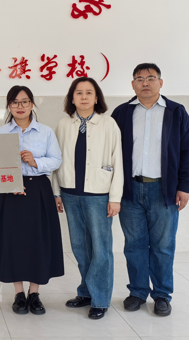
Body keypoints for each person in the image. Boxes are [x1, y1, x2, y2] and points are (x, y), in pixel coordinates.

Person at [111, 63, 189, 317]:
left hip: (164, 190)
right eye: (139, 79)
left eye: (150, 78)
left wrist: (184, 186)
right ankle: (138, 292)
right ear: (133, 85)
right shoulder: (122, 113)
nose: (145, 83)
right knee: (134, 245)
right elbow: (111, 152)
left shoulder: (176, 112)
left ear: (161, 82)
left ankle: (162, 294)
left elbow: (188, 151)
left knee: (163, 246)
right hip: (130, 189)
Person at [0, 85, 64, 316]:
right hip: (9, 192)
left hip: (38, 190)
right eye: (15, 102)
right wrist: (10, 183)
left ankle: (35, 294)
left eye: (24, 101)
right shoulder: (0, 132)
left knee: (37, 241)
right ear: (9, 106)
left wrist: (35, 161)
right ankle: (19, 294)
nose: (20, 106)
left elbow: (57, 160)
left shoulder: (46, 132)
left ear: (32, 104)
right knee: (13, 242)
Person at [52, 77, 124, 320]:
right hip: (70, 194)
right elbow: (56, 161)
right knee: (80, 248)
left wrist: (115, 197)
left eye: (89, 92)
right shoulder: (64, 124)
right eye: (79, 92)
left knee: (101, 249)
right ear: (72, 98)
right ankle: (85, 292)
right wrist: (56, 192)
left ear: (96, 97)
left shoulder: (109, 124)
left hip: (98, 195)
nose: (84, 97)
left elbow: (118, 161)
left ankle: (100, 299)